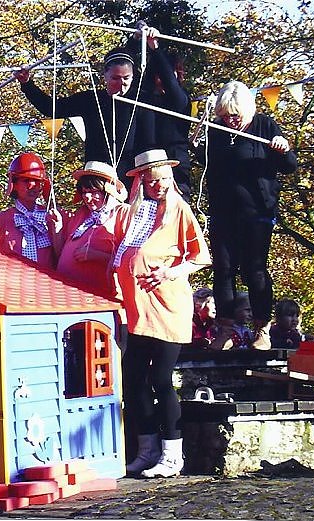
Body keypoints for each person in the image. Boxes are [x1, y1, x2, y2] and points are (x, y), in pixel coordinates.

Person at [113, 149, 211, 478]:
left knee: (160, 379)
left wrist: (170, 272)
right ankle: (147, 450)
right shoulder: (134, 214)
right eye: (153, 181)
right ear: (141, 181)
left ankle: (173, 453)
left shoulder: (178, 210)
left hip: (167, 307)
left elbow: (200, 257)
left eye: (165, 180)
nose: (160, 186)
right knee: (134, 380)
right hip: (137, 310)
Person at [192, 80, 297, 351]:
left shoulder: (264, 125)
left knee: (255, 271)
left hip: (257, 212)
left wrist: (282, 147)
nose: (230, 120)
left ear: (247, 110)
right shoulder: (217, 132)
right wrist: (194, 141)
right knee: (224, 270)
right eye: (225, 115)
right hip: (223, 212)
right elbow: (205, 161)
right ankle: (225, 330)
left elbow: (289, 166)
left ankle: (261, 329)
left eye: (235, 115)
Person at [15, 47, 149, 195]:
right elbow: (52, 109)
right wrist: (27, 84)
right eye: (115, 78)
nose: (121, 84)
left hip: (132, 175)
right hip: (97, 176)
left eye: (126, 78)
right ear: (105, 75)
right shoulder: (90, 100)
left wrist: (141, 42)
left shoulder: (141, 100)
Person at [133, 22, 193, 201]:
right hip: (146, 165)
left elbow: (170, 83)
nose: (162, 76)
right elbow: (126, 72)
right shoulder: (143, 97)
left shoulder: (180, 99)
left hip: (175, 169)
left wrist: (155, 47)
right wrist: (137, 41)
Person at [50, 161, 128, 298]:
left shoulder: (122, 213)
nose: (87, 197)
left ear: (107, 191)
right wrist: (58, 229)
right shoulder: (82, 214)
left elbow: (130, 259)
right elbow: (60, 253)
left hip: (100, 296)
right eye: (84, 192)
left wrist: (95, 255)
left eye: (92, 192)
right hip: (68, 294)